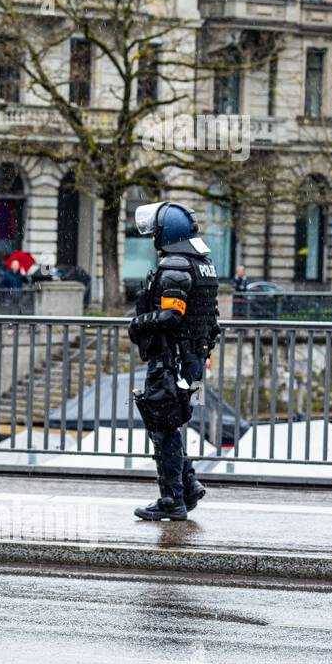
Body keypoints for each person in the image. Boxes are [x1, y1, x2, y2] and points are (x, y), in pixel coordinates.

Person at [128, 202, 220, 522]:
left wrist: (138, 324)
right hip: (193, 363)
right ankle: (188, 485)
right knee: (173, 423)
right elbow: (213, 322)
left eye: (155, 232)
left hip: (172, 360)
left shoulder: (176, 266)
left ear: (166, 233)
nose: (153, 238)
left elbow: (171, 315)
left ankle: (172, 499)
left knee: (163, 426)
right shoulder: (203, 264)